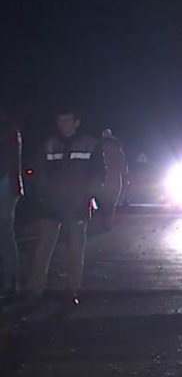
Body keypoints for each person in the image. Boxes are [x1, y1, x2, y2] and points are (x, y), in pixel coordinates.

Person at [23, 108, 104, 307]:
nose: (63, 124)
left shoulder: (91, 145)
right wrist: (42, 196)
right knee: (43, 248)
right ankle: (35, 290)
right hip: (51, 205)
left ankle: (71, 290)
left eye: (67, 120)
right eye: (60, 120)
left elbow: (99, 174)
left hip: (76, 205)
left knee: (75, 249)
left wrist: (86, 197)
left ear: (77, 122)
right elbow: (39, 171)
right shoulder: (50, 144)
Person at [0, 110, 22, 302]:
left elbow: (6, 163)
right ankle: (10, 282)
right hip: (7, 187)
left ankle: (10, 283)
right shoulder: (10, 130)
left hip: (5, 189)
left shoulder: (7, 131)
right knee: (5, 235)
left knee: (5, 235)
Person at [96, 128, 127, 232]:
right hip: (114, 177)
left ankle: (103, 221)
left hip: (102, 177)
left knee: (103, 201)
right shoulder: (117, 146)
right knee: (111, 202)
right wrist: (125, 172)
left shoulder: (98, 146)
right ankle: (107, 222)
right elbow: (122, 162)